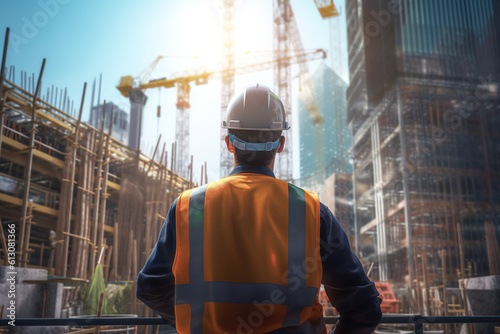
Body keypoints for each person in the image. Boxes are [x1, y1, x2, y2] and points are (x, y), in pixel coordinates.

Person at [137, 84, 382, 334]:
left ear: (229, 144)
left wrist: (194, 321)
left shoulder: (187, 207)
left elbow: (150, 288)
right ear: (280, 144)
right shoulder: (312, 211)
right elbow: (365, 308)